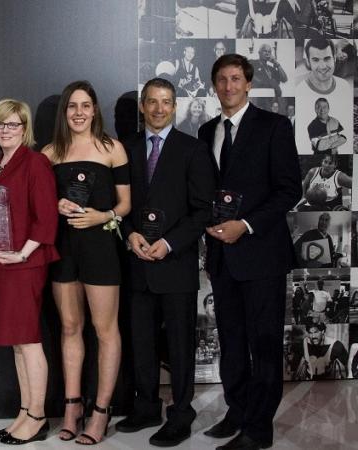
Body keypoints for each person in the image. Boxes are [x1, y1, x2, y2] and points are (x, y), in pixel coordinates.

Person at [198, 53, 301, 450]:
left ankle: (259, 429)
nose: (228, 86)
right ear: (214, 85)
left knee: (264, 344)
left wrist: (246, 224)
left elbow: (289, 190)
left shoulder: (274, 126)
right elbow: (206, 191)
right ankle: (236, 412)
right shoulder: (208, 131)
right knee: (233, 344)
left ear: (249, 83)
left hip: (262, 256)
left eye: (236, 79)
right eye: (222, 79)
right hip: (223, 258)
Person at [117, 77, 216, 447]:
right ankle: (146, 407)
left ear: (175, 107)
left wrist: (170, 244)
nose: (159, 108)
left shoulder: (193, 149)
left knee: (178, 345)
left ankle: (181, 413)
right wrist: (129, 233)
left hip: (175, 264)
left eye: (166, 102)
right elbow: (119, 204)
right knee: (140, 342)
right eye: (152, 102)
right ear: (142, 106)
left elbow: (202, 210)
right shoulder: (124, 149)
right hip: (137, 261)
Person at [42, 80, 131, 445]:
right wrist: (55, 205)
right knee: (69, 328)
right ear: (65, 112)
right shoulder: (49, 153)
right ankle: (72, 407)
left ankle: (101, 411)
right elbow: (39, 204)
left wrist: (102, 216)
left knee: (105, 330)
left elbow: (125, 205)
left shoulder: (113, 149)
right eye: (72, 106)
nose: (79, 112)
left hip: (101, 249)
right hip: (63, 249)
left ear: (95, 110)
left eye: (85, 105)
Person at [0, 99, 58, 445]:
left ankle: (37, 416)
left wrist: (22, 255)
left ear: (25, 129)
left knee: (29, 341)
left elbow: (47, 217)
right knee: (17, 345)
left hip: (24, 264)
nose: (6, 131)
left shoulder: (36, 163)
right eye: (0, 125)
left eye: (13, 125)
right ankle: (24, 412)